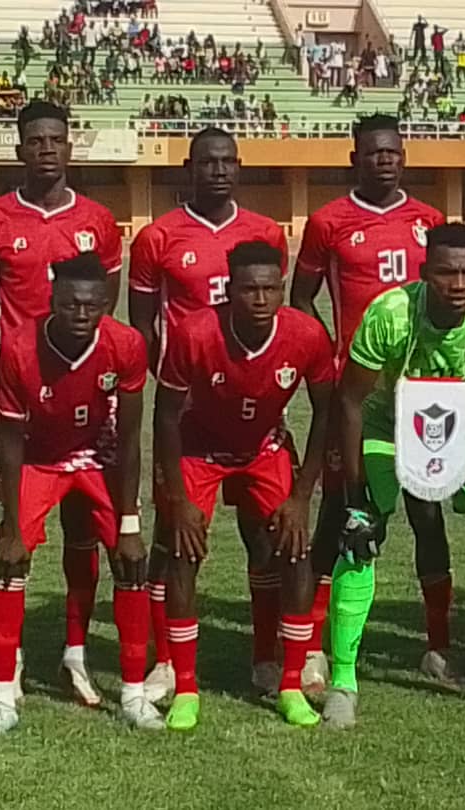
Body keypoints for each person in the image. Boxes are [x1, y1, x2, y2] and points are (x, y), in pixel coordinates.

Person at [323, 223, 465, 729]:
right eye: (447, 273)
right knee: (359, 539)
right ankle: (342, 683)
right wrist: (355, 497)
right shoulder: (390, 313)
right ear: (425, 273)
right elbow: (351, 400)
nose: (459, 284)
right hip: (390, 422)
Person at [0, 102, 123, 709]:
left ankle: (75, 655)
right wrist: (10, 366)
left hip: (87, 401)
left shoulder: (97, 221)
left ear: (69, 147)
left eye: (56, 139)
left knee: (85, 527)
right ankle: (10, 663)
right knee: (13, 530)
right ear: (20, 149)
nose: (47, 149)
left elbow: (104, 303)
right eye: (35, 140)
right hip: (21, 406)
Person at [289, 115, 451, 691]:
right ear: (354, 159)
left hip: (422, 394)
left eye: (394, 153)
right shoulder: (328, 222)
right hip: (356, 396)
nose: (385, 161)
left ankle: (438, 647)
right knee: (342, 510)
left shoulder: (429, 220)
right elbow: (300, 298)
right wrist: (332, 356)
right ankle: (313, 646)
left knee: (427, 514)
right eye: (375, 153)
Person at [128, 129, 287, 701]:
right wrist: (176, 385)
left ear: (239, 167)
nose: (218, 171)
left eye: (227, 162)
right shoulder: (157, 237)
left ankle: (266, 656)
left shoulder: (265, 233)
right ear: (188, 168)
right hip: (191, 421)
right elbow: (142, 325)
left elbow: (276, 321)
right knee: (175, 540)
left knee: (264, 538)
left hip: (254, 418)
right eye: (206, 162)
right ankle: (167, 662)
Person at [0, 253, 161, 736]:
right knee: (9, 563)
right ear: (52, 300)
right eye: (70, 304)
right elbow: (9, 441)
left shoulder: (125, 344)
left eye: (92, 305)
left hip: (98, 457)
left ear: (105, 303)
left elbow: (130, 438)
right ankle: (1, 696)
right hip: (36, 458)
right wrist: (11, 526)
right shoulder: (18, 347)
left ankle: (134, 694)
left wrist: (129, 522)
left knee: (131, 562)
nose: (81, 314)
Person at [154, 242, 334, 731]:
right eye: (249, 289)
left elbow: (327, 412)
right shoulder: (194, 332)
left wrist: (302, 496)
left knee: (294, 549)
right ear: (228, 290)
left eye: (270, 289)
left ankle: (290, 684)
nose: (260, 299)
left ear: (282, 289)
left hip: (264, 449)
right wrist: (178, 499)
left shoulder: (306, 334)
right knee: (183, 550)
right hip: (199, 450)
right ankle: (185, 688)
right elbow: (166, 416)